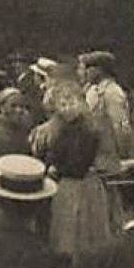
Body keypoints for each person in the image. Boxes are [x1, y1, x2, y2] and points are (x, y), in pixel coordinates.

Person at [29, 79, 119, 258]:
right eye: (62, 104)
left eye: (72, 103)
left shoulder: (90, 128)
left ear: (81, 103)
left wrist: (58, 168)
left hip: (83, 184)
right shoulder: (56, 129)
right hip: (66, 186)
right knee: (66, 229)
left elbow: (83, 161)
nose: (68, 108)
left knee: (85, 230)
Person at [78, 50, 132, 157]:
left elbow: (120, 127)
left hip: (108, 156)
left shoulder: (112, 92)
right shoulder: (92, 90)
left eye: (88, 68)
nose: (86, 72)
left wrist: (122, 154)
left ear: (99, 70)